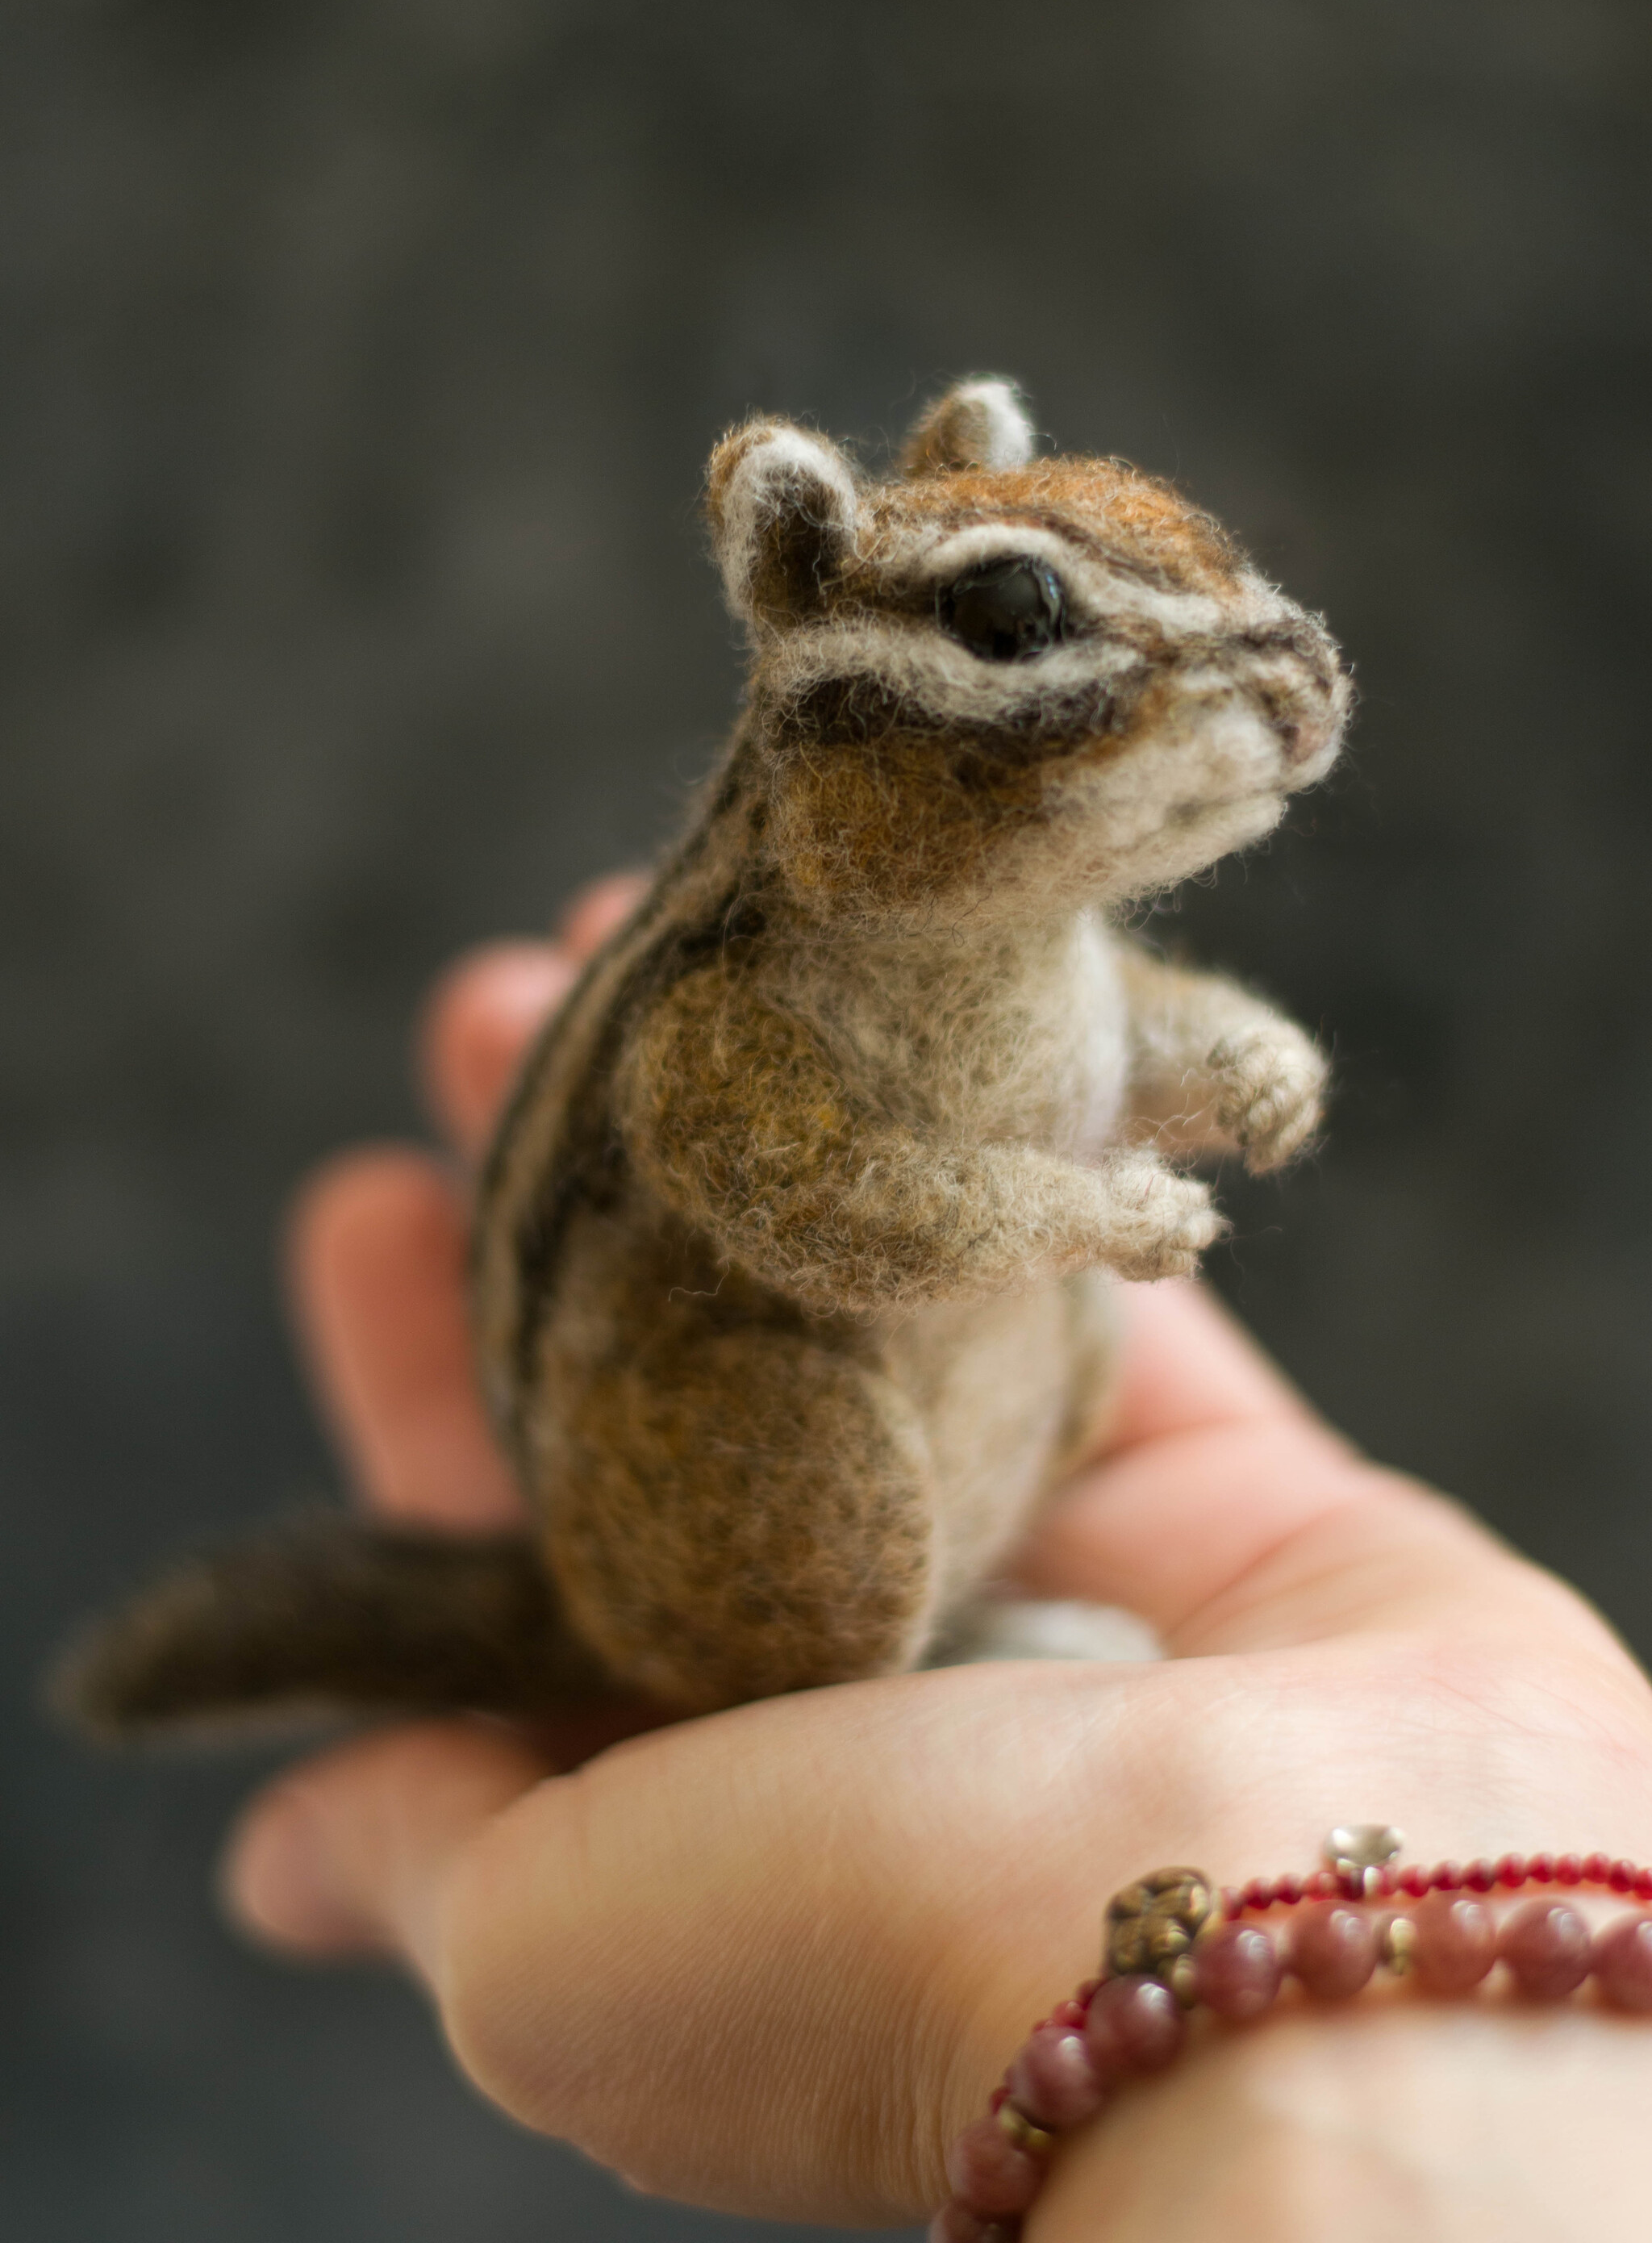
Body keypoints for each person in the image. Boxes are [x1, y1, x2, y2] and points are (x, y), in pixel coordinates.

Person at [225, 879, 1652, 2237]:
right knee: (833, 1497)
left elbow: (1115, 1012)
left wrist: (1223, 1054)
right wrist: (1080, 1212)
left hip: (988, 1431)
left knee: (1068, 1345)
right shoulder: (768, 984)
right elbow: (846, 1199)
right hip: (798, 1473)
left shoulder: (1036, 941)